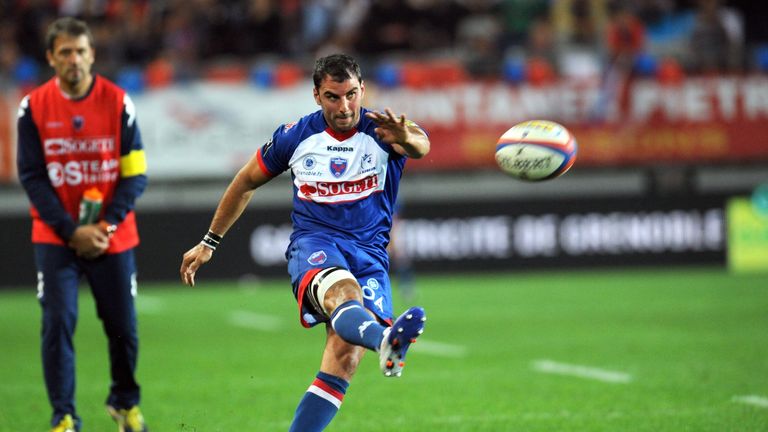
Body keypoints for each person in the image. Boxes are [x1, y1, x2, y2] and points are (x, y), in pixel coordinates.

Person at [180, 53, 430, 431]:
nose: (344, 107)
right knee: (345, 295)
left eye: (351, 95)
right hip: (316, 246)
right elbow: (246, 180)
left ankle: (380, 342)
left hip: (370, 255)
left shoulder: (386, 129)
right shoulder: (296, 136)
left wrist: (407, 136)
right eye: (333, 96)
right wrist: (209, 242)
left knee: (343, 358)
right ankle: (385, 340)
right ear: (316, 95)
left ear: (362, 89)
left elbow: (421, 146)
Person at [16, 17, 149, 432]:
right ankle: (64, 416)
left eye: (81, 51)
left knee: (123, 327)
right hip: (57, 237)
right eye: (65, 52)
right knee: (57, 322)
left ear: (92, 55)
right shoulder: (33, 107)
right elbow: (33, 176)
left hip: (112, 235)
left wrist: (105, 226)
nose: (74, 59)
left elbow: (136, 174)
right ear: (51, 58)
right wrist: (71, 230)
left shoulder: (117, 102)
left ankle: (124, 403)